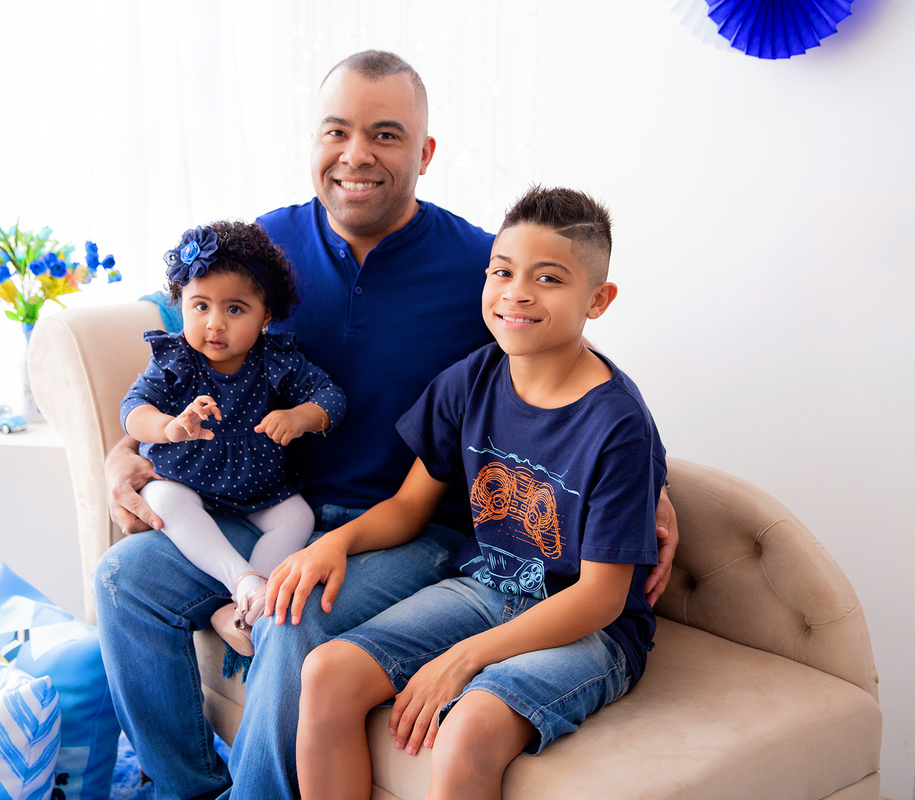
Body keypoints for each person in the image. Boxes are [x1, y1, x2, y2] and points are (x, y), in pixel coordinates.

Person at [95, 50, 680, 800]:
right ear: (313, 141)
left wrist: (651, 485)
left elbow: (556, 351)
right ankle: (190, 788)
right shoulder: (263, 249)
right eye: (336, 131)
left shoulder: (479, 263)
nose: (356, 155)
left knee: (292, 615)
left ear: (425, 153)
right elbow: (179, 340)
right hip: (273, 504)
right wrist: (124, 450)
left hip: (411, 528)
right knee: (122, 580)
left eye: (386, 134)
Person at [292, 186, 663, 800]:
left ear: (598, 300)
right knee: (328, 671)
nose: (517, 292)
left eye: (548, 278)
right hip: (487, 585)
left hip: (588, 631)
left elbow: (601, 597)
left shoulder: (618, 425)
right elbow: (410, 507)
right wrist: (334, 545)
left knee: (467, 728)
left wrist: (465, 659)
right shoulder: (471, 379)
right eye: (502, 271)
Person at [120, 221, 345, 656]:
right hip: (187, 480)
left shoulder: (277, 362)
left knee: (298, 518)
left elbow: (333, 397)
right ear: (181, 304)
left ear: (267, 317)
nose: (214, 324)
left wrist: (301, 416)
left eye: (235, 310)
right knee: (164, 500)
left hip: (261, 485)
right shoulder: (177, 361)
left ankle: (243, 603)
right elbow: (133, 409)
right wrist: (167, 427)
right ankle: (240, 579)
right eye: (199, 306)